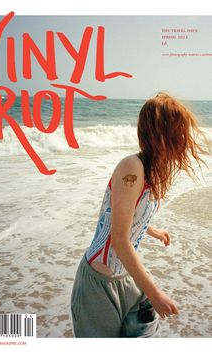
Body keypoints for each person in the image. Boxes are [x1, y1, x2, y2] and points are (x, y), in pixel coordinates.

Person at [70, 92, 211, 338]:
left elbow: (127, 216)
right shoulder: (132, 167)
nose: (183, 138)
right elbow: (118, 239)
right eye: (178, 131)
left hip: (126, 277)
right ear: (159, 133)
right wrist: (155, 293)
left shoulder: (153, 171)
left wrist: (153, 230)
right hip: (98, 286)